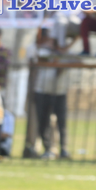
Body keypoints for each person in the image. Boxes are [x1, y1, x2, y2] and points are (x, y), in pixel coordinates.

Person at [29, 29, 70, 160]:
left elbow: (64, 68)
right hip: (42, 90)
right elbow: (34, 57)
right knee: (43, 122)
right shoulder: (42, 52)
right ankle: (47, 148)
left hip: (59, 92)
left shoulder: (65, 56)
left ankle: (64, 149)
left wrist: (60, 58)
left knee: (61, 123)